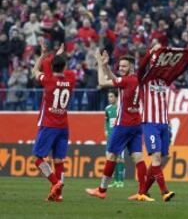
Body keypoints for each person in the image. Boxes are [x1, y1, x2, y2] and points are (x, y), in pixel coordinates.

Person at [86, 51, 153, 202]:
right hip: (136, 124)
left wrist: (99, 65)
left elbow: (103, 82)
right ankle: (142, 192)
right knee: (138, 158)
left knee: (111, 156)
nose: (121, 68)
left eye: (124, 66)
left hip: (123, 124)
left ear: (132, 67)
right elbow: (116, 79)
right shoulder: (136, 79)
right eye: (120, 66)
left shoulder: (127, 80)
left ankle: (102, 190)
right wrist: (106, 66)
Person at [131, 44, 188, 202]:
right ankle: (164, 192)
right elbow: (141, 67)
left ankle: (142, 192)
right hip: (150, 123)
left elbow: (179, 69)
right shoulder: (143, 79)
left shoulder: (164, 80)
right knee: (156, 158)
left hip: (164, 124)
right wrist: (149, 52)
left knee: (162, 158)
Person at [32, 40, 76, 202]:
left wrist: (44, 54)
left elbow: (35, 70)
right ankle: (57, 195)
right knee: (58, 161)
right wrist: (60, 55)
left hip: (49, 125)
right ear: (64, 67)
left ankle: (56, 183)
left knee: (37, 158)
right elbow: (62, 68)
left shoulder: (48, 80)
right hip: (64, 126)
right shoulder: (71, 79)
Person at [104, 90, 125, 188]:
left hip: (120, 136)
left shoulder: (120, 108)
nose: (109, 98)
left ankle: (120, 181)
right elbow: (106, 121)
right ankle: (116, 181)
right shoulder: (107, 109)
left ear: (116, 97)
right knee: (112, 159)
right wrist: (106, 130)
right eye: (108, 97)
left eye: (111, 96)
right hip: (111, 137)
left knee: (120, 159)